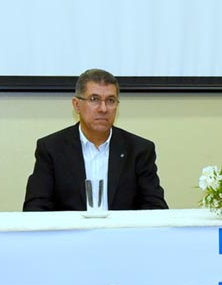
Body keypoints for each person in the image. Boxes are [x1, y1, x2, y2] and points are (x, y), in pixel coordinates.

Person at [23, 68, 167, 211]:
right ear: (77, 105)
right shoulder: (51, 148)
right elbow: (35, 209)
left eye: (110, 100)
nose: (103, 108)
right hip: (72, 233)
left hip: (122, 233)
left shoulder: (139, 150)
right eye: (94, 99)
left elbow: (155, 208)